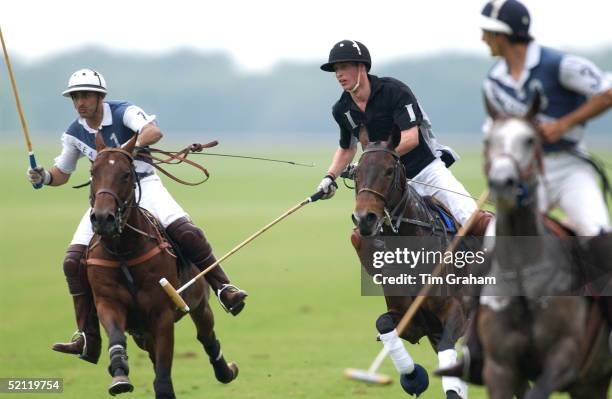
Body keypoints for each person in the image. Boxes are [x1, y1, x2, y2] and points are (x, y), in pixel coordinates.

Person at [27, 69, 248, 364]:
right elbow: (61, 174)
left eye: (86, 95)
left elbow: (153, 132)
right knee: (72, 261)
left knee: (188, 233)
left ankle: (223, 288)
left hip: (144, 184)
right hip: (107, 197)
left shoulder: (123, 112)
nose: (80, 102)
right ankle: (87, 337)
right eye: (75, 96)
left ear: (100, 97)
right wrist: (42, 176)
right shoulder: (74, 131)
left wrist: (124, 151)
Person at [316, 39, 490, 233]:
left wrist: (372, 163)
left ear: (361, 67)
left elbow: (411, 138)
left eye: (344, 67)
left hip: (426, 172)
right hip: (387, 187)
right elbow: (347, 148)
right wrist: (329, 177)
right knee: (365, 234)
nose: (339, 74)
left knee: (470, 217)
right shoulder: (342, 109)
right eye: (336, 70)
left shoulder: (394, 91)